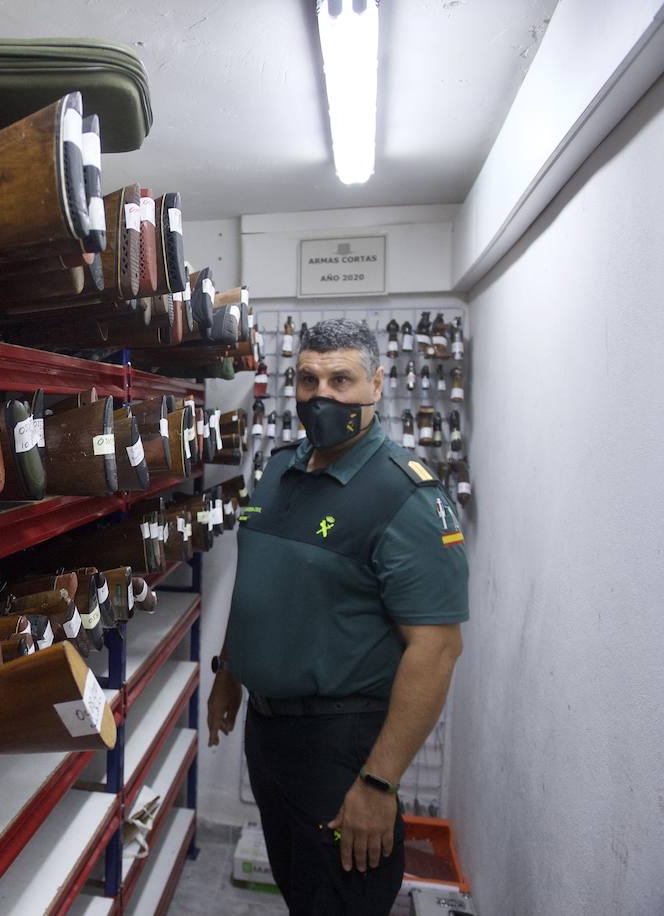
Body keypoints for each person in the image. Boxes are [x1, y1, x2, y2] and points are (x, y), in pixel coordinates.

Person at [208, 318, 468, 915]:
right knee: (303, 891)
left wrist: (378, 784)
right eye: (308, 379)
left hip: (343, 743)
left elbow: (436, 650)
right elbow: (261, 585)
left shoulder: (406, 497)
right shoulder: (278, 469)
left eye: (341, 379)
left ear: (376, 384)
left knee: (342, 901)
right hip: (269, 734)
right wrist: (232, 671)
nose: (321, 394)